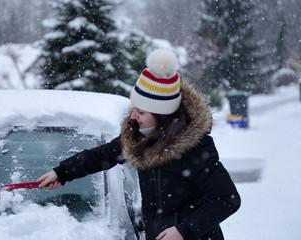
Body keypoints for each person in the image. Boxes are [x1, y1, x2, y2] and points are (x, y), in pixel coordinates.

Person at [38, 49, 241, 240]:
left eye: (142, 112)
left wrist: (184, 230)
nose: (134, 116)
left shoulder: (195, 149)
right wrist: (62, 173)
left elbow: (227, 199)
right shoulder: (141, 137)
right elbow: (103, 155)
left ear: (162, 115)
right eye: (135, 108)